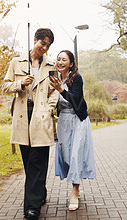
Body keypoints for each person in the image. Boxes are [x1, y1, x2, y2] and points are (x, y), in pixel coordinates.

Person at [1, 28, 59, 219]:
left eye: (48, 45)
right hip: (22, 115)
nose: (45, 48)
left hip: (41, 115)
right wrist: (21, 83)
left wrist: (49, 109)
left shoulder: (51, 64)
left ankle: (32, 207)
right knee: (29, 162)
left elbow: (56, 91)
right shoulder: (17, 62)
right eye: (42, 43)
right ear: (34, 40)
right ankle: (39, 193)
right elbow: (4, 86)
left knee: (37, 160)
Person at [49, 50, 96, 211]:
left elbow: (76, 99)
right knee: (66, 156)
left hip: (78, 120)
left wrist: (60, 90)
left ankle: (75, 191)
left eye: (64, 59)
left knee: (76, 154)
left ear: (70, 63)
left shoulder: (76, 78)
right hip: (63, 121)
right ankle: (76, 182)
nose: (60, 62)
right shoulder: (54, 79)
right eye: (58, 59)